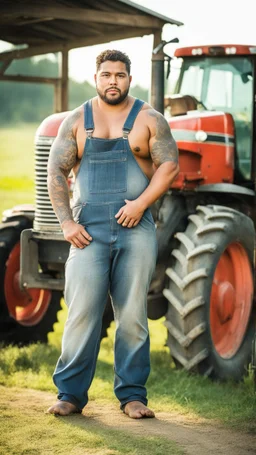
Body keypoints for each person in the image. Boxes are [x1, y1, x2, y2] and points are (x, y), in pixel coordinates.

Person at [47, 49, 179, 419]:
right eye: (106, 75)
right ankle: (70, 394)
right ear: (96, 78)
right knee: (82, 311)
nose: (113, 81)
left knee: (133, 314)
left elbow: (169, 166)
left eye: (119, 75)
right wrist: (67, 224)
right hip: (87, 231)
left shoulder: (149, 119)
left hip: (136, 229)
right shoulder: (76, 120)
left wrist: (140, 205)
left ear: (128, 79)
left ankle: (133, 395)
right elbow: (55, 171)